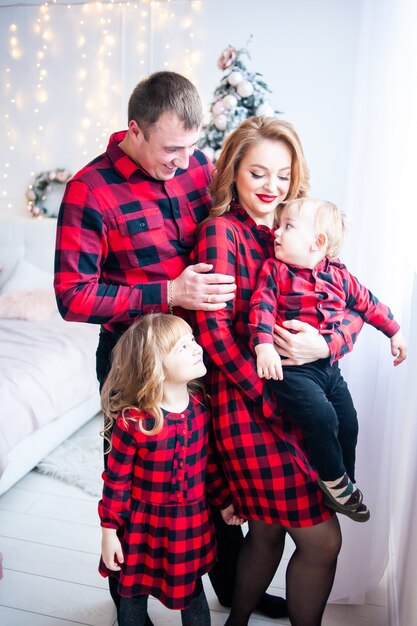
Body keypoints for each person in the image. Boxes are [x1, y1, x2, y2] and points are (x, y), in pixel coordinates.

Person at [54, 72, 284, 622]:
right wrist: (169, 291)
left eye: (192, 146)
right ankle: (128, 603)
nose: (185, 161)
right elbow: (71, 296)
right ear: (135, 130)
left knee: (215, 471)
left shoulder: (199, 164)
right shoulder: (90, 189)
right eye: (171, 149)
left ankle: (229, 586)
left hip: (202, 351)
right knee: (137, 478)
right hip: (134, 362)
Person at [191, 116, 366, 626]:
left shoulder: (304, 229)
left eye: (283, 176)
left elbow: (349, 304)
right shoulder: (223, 234)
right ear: (233, 173)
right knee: (322, 537)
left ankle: (237, 621)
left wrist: (327, 344)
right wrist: (272, 400)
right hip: (252, 407)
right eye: (258, 174)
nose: (272, 188)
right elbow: (215, 336)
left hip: (303, 394)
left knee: (267, 529)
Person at [249, 197, 407, 523]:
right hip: (292, 371)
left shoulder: (340, 275)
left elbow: (368, 304)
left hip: (329, 369)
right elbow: (261, 307)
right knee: (322, 417)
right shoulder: (275, 271)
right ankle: (335, 481)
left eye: (287, 227)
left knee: (348, 420)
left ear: (317, 243)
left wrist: (394, 331)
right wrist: (263, 345)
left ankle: (342, 482)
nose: (276, 232)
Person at [99, 313, 243, 626]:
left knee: (191, 590)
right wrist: (109, 531)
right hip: (141, 526)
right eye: (182, 347)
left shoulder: (201, 407)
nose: (196, 348)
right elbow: (116, 481)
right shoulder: (133, 421)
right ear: (155, 366)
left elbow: (210, 467)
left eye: (192, 339)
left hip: (187, 525)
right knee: (132, 593)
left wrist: (225, 502)